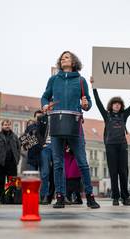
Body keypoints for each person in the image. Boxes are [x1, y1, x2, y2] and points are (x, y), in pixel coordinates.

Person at [41, 51, 100, 209]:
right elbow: (45, 97)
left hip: (74, 123)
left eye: (66, 57)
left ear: (73, 62)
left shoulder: (81, 81)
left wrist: (86, 104)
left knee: (82, 162)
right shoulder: (53, 80)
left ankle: (90, 196)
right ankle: (60, 197)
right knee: (58, 163)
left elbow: (87, 104)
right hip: (57, 122)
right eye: (61, 58)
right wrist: (45, 105)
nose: (63, 59)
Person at [91, 77, 130, 206]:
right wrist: (94, 87)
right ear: (111, 106)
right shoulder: (106, 115)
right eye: (114, 103)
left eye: (119, 103)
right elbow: (98, 102)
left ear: (121, 106)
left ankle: (125, 197)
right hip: (110, 146)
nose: (117, 105)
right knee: (113, 172)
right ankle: (115, 197)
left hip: (122, 146)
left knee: (123, 172)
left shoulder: (124, 114)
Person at [0, 119, 21, 204]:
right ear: (2, 126)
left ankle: (10, 198)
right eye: (5, 124)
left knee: (12, 182)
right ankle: (1, 199)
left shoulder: (14, 136)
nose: (7, 126)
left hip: (12, 162)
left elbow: (18, 148)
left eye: (9, 124)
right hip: (1, 163)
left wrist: (17, 158)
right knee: (0, 182)